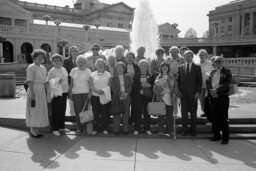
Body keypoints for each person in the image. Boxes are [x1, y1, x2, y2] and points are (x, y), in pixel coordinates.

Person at [177, 50, 202, 136]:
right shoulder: (180, 67)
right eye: (186, 56)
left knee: (193, 113)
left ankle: (193, 131)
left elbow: (200, 81)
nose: (188, 58)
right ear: (184, 57)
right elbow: (178, 81)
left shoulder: (197, 67)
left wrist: (198, 92)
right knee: (183, 113)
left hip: (193, 95)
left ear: (192, 57)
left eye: (189, 56)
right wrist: (178, 91)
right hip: (183, 95)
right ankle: (184, 130)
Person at [208, 56, 232, 145]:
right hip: (213, 98)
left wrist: (216, 91)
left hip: (222, 97)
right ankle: (216, 135)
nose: (217, 63)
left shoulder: (227, 72)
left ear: (223, 62)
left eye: (219, 61)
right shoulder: (212, 72)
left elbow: (226, 84)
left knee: (223, 118)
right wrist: (211, 91)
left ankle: (225, 138)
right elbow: (208, 83)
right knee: (214, 118)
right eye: (216, 61)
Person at [25, 49, 49, 138]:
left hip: (41, 91)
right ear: (34, 57)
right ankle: (32, 130)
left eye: (42, 57)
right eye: (39, 57)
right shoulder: (31, 67)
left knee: (39, 111)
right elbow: (29, 81)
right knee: (33, 110)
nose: (41, 58)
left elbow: (45, 80)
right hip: (34, 90)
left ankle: (36, 129)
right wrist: (32, 94)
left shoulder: (43, 67)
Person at [153, 62, 178, 136]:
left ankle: (170, 130)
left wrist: (174, 93)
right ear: (160, 68)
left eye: (166, 67)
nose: (164, 68)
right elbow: (154, 89)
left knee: (170, 116)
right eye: (163, 67)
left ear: (168, 68)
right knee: (161, 116)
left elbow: (176, 87)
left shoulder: (172, 77)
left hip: (170, 98)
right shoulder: (158, 77)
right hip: (161, 98)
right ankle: (160, 130)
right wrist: (159, 93)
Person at [47, 54, 69, 136]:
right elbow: (48, 82)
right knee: (56, 111)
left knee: (62, 110)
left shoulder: (63, 69)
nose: (56, 62)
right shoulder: (52, 71)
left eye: (58, 60)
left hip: (64, 91)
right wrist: (56, 82)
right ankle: (55, 129)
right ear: (52, 62)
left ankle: (61, 127)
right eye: (55, 60)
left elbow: (66, 80)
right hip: (57, 93)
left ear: (61, 61)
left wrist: (68, 90)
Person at [69, 55, 91, 133]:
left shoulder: (88, 71)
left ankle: (85, 127)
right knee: (77, 110)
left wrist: (90, 93)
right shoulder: (73, 70)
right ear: (76, 62)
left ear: (85, 62)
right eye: (78, 62)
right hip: (76, 93)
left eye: (81, 62)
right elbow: (71, 83)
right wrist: (70, 92)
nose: (80, 63)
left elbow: (90, 83)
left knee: (85, 110)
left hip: (85, 92)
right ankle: (79, 127)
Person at [132, 59, 155, 135]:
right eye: (142, 65)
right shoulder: (136, 75)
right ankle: (136, 129)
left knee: (147, 113)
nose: (143, 67)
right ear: (139, 66)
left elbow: (154, 86)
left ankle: (147, 129)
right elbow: (134, 86)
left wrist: (150, 85)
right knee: (137, 113)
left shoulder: (151, 75)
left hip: (147, 96)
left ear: (147, 66)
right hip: (138, 96)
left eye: (145, 65)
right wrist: (141, 85)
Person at [90, 58, 112, 135]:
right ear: (96, 65)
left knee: (105, 113)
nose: (99, 65)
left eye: (101, 64)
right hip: (95, 96)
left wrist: (102, 91)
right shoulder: (92, 74)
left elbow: (109, 84)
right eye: (98, 64)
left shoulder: (108, 74)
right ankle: (96, 128)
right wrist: (97, 91)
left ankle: (104, 128)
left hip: (105, 95)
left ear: (104, 65)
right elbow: (90, 85)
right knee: (96, 113)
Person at [111, 62, 132, 135]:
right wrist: (121, 94)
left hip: (126, 97)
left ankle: (125, 130)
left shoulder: (128, 77)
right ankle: (116, 130)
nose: (120, 69)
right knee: (116, 114)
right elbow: (114, 89)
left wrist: (126, 92)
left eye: (121, 68)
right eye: (118, 68)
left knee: (126, 114)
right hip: (117, 98)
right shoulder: (112, 78)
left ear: (123, 69)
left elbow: (130, 86)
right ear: (116, 69)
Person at [125, 52, 141, 125]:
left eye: (131, 57)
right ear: (126, 58)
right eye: (128, 57)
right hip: (126, 88)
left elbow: (139, 76)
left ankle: (133, 120)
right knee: (126, 104)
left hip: (135, 88)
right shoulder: (123, 66)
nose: (130, 58)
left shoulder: (137, 66)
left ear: (133, 58)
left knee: (134, 104)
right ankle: (126, 120)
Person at [198, 49, 214, 120]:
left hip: (208, 84)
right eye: (200, 55)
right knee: (201, 99)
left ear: (206, 55)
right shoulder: (197, 64)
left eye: (203, 55)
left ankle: (209, 112)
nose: (202, 56)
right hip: (200, 84)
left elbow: (213, 72)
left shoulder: (210, 63)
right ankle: (204, 111)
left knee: (207, 99)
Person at [63, 46, 79, 117]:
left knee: (78, 99)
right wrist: (68, 85)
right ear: (70, 52)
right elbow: (65, 73)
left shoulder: (80, 60)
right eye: (72, 51)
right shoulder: (66, 61)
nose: (74, 52)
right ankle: (72, 114)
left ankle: (77, 114)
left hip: (79, 84)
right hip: (70, 82)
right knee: (71, 98)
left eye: (75, 51)